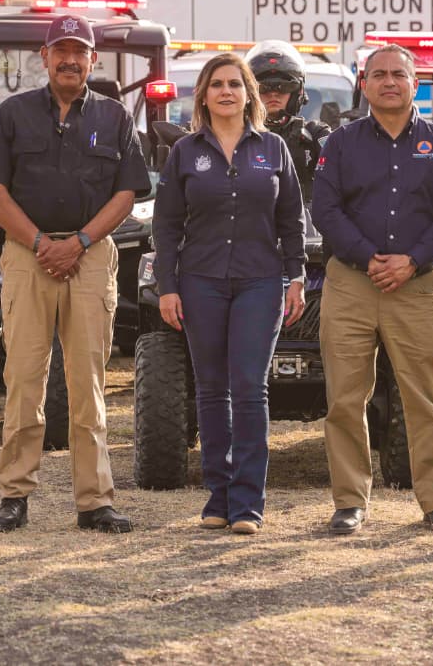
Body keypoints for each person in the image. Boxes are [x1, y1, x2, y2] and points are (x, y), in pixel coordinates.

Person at [0, 14, 151, 534]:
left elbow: (126, 194)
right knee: (23, 380)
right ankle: (13, 496)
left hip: (90, 255)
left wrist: (79, 242)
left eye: (80, 51)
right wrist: (39, 243)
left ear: (93, 60)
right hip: (28, 257)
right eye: (61, 50)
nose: (70, 59)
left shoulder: (115, 117)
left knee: (87, 383)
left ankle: (94, 501)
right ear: (44, 58)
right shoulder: (13, 114)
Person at [312, 43, 433, 536]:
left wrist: (414, 260)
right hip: (351, 283)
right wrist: (368, 257)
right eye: (377, 74)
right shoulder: (340, 144)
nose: (388, 82)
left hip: (417, 286)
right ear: (364, 84)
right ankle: (350, 501)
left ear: (414, 83)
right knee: (345, 397)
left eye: (397, 74)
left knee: (426, 396)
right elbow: (326, 210)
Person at [153, 53, 306, 535]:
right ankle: (217, 497)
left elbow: (291, 220)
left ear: (248, 94)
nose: (226, 92)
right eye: (216, 84)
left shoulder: (274, 148)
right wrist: (167, 287)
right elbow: (167, 225)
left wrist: (296, 276)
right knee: (211, 389)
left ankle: (247, 503)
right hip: (200, 282)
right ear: (203, 95)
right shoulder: (185, 152)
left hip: (261, 282)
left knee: (249, 388)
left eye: (235, 84)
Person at [246, 40, 331, 199]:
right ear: (250, 93)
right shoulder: (236, 136)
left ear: (297, 92)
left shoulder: (315, 135)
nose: (273, 94)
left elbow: (346, 171)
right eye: (263, 87)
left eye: (283, 86)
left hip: (305, 222)